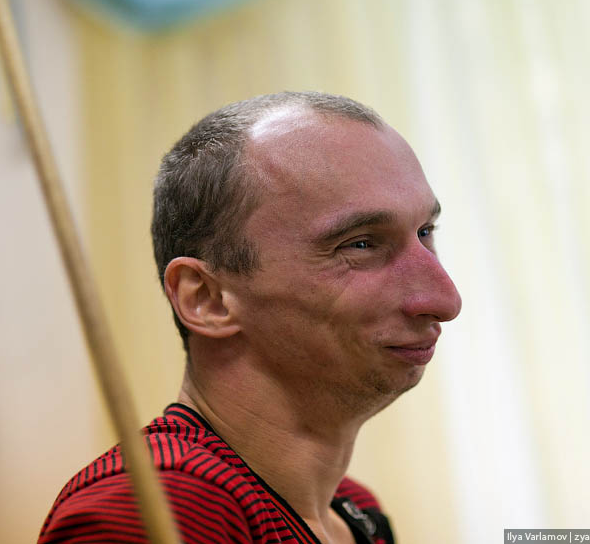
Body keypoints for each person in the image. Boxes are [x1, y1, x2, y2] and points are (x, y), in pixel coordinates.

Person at [38, 92, 462, 544]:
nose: (445, 299)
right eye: (360, 244)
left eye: (425, 232)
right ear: (207, 299)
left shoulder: (356, 510)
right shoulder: (153, 511)